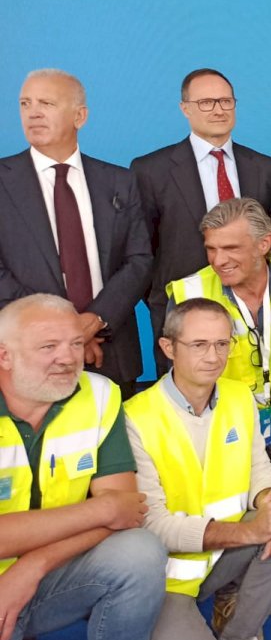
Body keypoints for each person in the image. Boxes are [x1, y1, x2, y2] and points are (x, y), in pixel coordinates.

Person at [165, 198, 271, 622]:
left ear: (264, 244)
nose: (218, 260)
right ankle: (233, 587)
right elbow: (182, 382)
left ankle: (268, 567)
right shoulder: (189, 291)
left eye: (231, 248)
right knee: (229, 509)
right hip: (221, 425)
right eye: (211, 249)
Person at [125, 298, 271, 640]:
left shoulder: (239, 396)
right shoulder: (134, 416)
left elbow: (258, 468)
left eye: (223, 343)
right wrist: (250, 530)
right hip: (167, 578)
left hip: (221, 554)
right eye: (199, 345)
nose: (213, 356)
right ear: (168, 348)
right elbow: (152, 525)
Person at [0, 294, 165, 640]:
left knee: (140, 552)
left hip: (47, 571)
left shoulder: (99, 394)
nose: (67, 358)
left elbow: (126, 512)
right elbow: (112, 508)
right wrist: (101, 508)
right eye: (48, 346)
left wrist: (34, 565)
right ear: (4, 356)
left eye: (76, 343)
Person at [0, 70, 152, 396]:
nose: (33, 113)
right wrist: (65, 333)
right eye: (25, 104)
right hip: (30, 356)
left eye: (47, 103)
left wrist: (95, 320)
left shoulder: (119, 181)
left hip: (111, 351)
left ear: (80, 116)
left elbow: (139, 260)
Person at [132, 69, 271, 372]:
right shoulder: (150, 171)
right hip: (180, 310)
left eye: (226, 101)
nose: (218, 110)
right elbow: (140, 248)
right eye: (206, 102)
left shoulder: (264, 168)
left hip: (253, 310)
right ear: (185, 108)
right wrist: (161, 299)